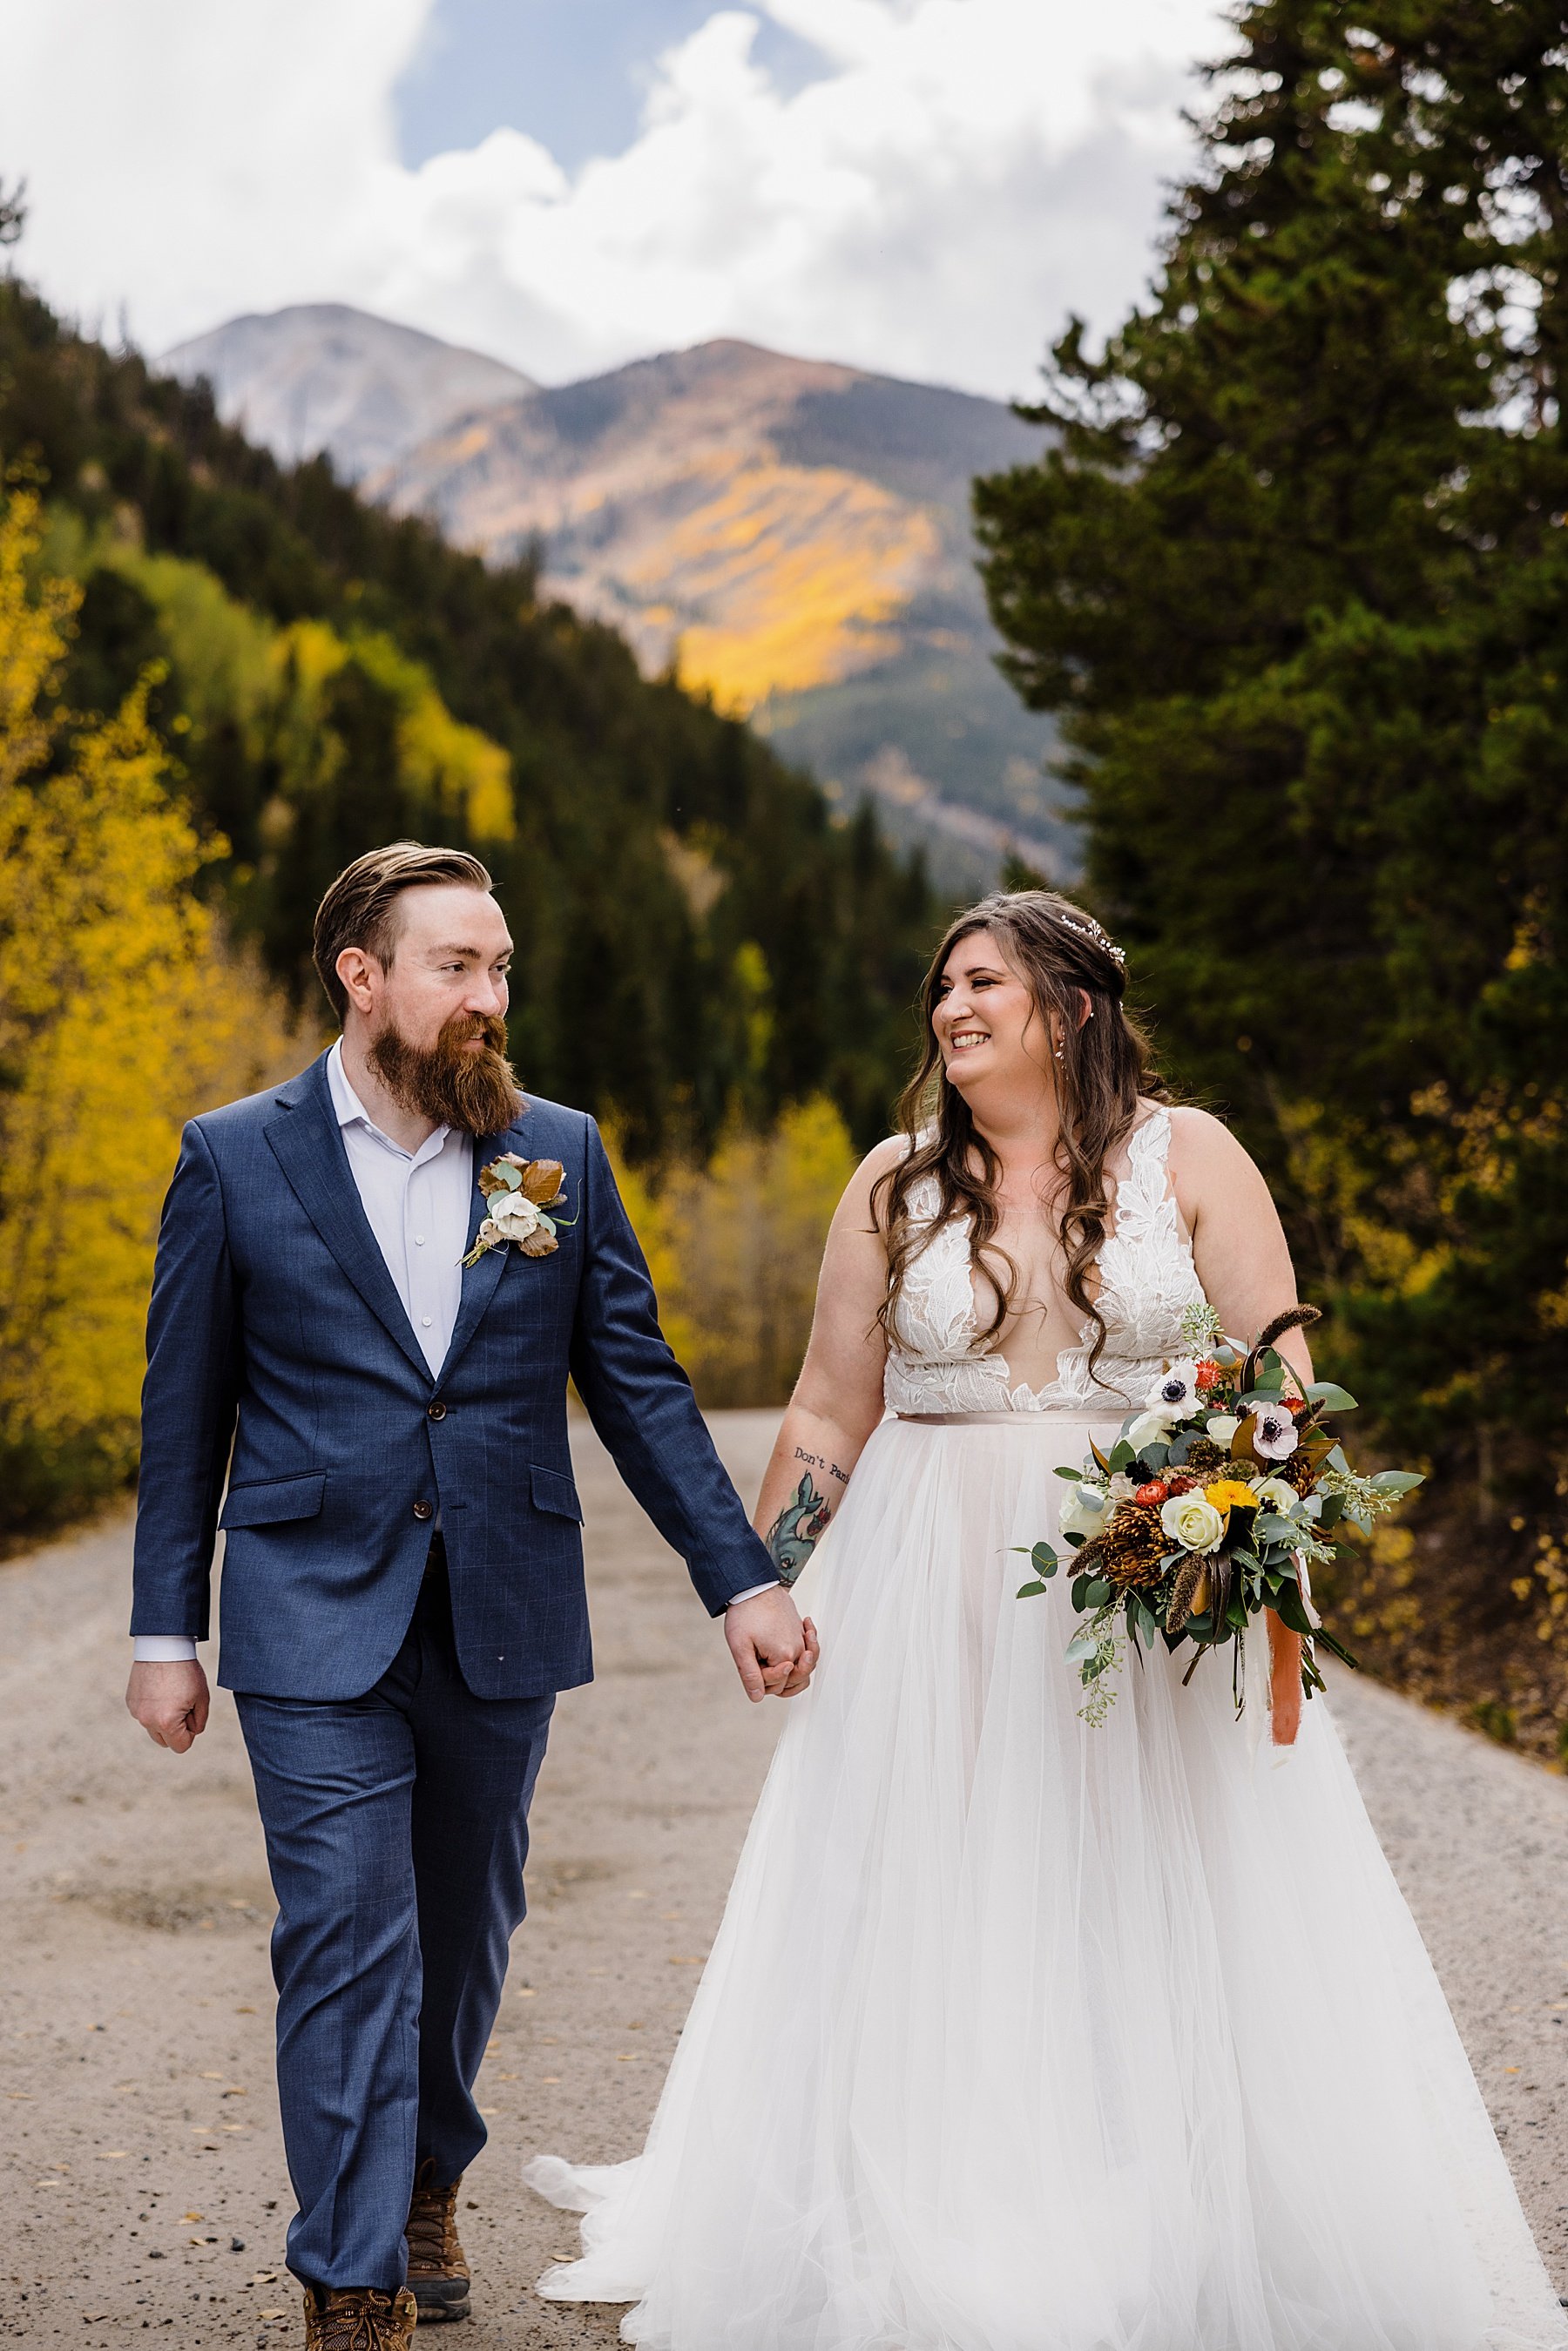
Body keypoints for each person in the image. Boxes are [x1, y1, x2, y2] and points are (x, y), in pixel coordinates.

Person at [529, 889, 1566, 2351]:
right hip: (929, 1591)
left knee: (1155, 1888)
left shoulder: (1188, 1153)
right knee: (938, 1887)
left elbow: (1278, 1375)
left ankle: (1179, 2215)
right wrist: (767, 1581)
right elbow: (832, 1404)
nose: (953, 1010)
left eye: (985, 985)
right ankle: (940, 2206)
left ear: (1072, 1008)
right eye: (943, 990)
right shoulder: (894, 1184)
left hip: (1147, 1587)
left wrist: (1240, 1521)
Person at [125, 840, 818, 2349]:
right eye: (458, 966)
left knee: (464, 1928)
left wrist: (740, 1582)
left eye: (502, 966)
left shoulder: (550, 1150)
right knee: (347, 1931)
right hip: (311, 1611)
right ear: (362, 978)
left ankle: (434, 2163)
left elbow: (636, 1382)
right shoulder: (234, 1155)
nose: (490, 994)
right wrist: (162, 1628)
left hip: (500, 1603)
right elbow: (184, 1413)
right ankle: (353, 2276)